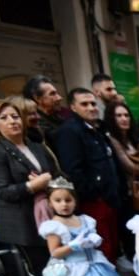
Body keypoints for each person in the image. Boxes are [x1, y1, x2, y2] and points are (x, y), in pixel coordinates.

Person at [0, 98, 57, 276]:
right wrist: (33, 185)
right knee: (45, 274)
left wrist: (50, 183)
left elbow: (56, 174)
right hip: (24, 224)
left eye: (15, 116)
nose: (12, 121)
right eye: (4, 118)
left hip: (50, 214)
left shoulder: (36, 146)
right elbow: (3, 191)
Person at [54, 88, 122, 262]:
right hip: (93, 201)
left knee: (111, 243)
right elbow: (73, 169)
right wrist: (94, 193)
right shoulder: (69, 131)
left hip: (108, 198)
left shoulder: (95, 128)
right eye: (84, 104)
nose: (91, 107)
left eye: (93, 103)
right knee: (102, 247)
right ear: (73, 107)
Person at [23, 75, 66, 145]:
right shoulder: (35, 126)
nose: (59, 98)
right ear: (37, 98)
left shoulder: (58, 118)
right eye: (52, 94)